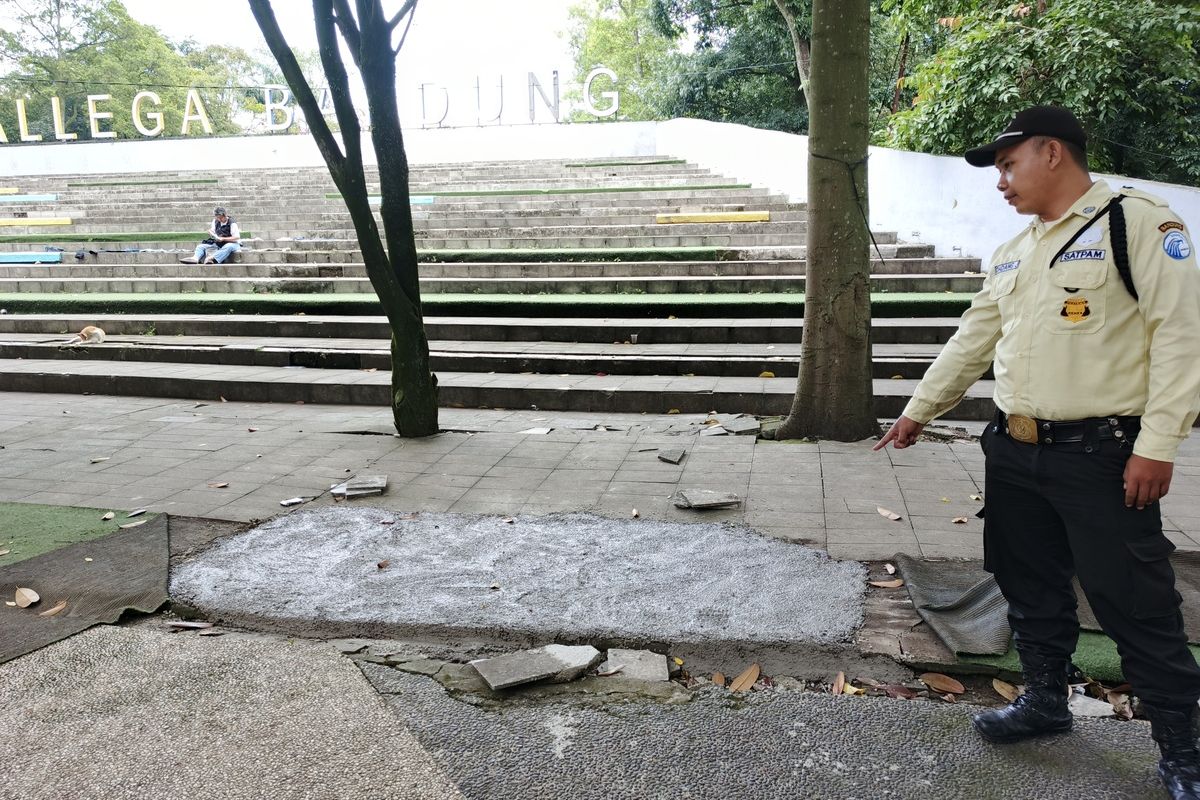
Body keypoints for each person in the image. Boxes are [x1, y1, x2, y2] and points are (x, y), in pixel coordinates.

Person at [874, 105, 1200, 799]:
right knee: (1029, 584)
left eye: (1008, 163)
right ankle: (1046, 701)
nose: (1001, 180)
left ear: (1052, 152)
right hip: (1014, 451)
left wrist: (1159, 444)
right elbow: (973, 337)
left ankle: (1182, 750)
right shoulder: (1018, 249)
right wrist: (917, 411)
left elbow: (1181, 336)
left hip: (1105, 454)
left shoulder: (1136, 222)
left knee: (1135, 602)